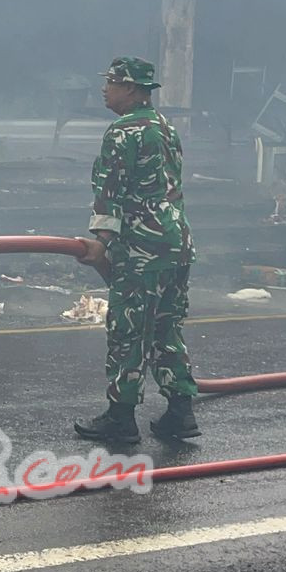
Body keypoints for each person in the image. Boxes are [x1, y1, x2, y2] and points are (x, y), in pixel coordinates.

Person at [73, 57, 200, 444]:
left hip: (141, 247)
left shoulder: (121, 132)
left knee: (128, 331)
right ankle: (181, 411)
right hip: (176, 242)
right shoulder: (165, 127)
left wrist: (101, 243)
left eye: (111, 82)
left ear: (130, 88)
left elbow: (110, 191)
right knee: (166, 327)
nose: (105, 89)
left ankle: (121, 417)